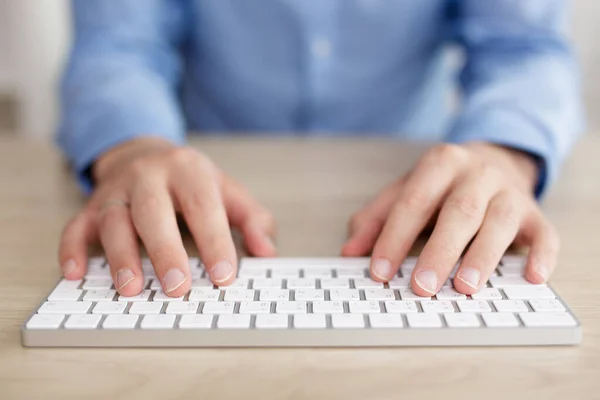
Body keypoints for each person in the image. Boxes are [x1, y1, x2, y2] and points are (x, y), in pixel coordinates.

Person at [57, 0, 584, 298]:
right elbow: (117, 44)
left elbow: (525, 48)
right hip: (197, 185)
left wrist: (502, 154)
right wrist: (130, 153)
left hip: (416, 179)